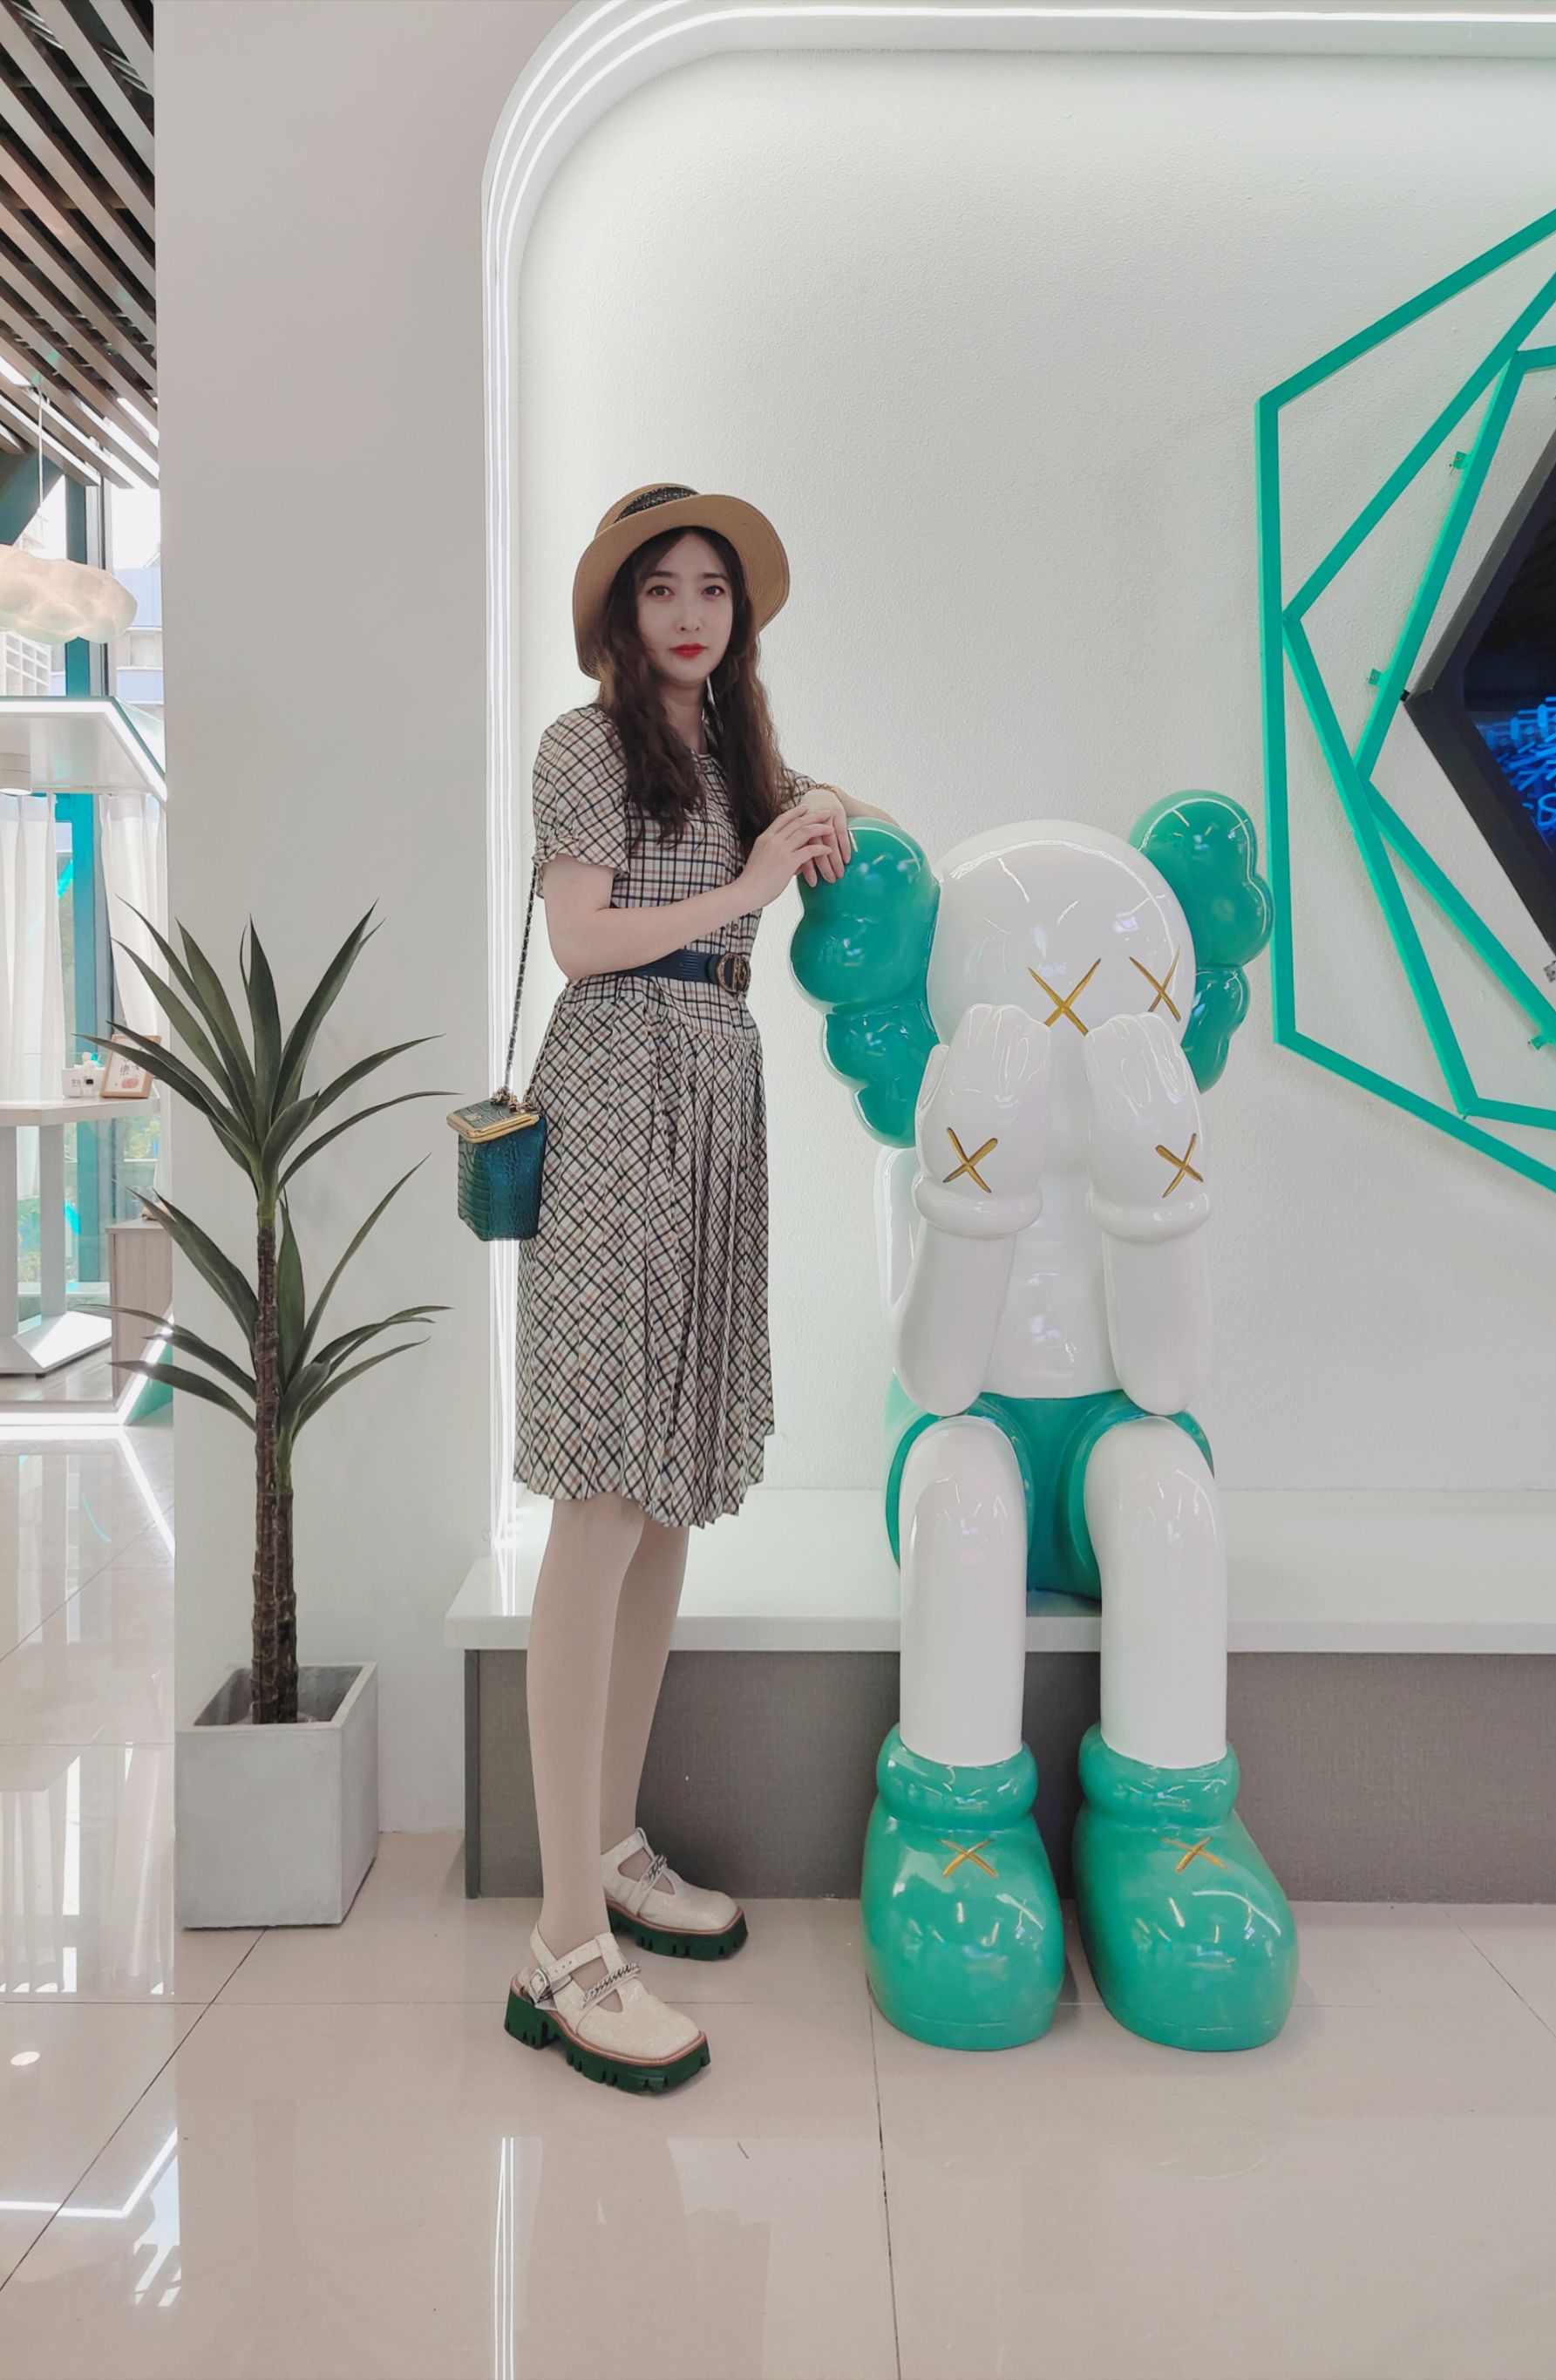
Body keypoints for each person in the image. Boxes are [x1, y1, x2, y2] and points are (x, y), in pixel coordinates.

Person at [503, 482, 897, 2093]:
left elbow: (844, 832)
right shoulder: (582, 746)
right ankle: (557, 1945)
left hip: (717, 1091)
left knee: (664, 1493)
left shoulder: (741, 755)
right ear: (620, 611)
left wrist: (821, 813)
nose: (687, 613)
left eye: (711, 590)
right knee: (603, 1492)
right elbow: (584, 942)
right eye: (660, 587)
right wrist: (749, 882)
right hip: (615, 1091)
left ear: (739, 616)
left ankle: (609, 1845)